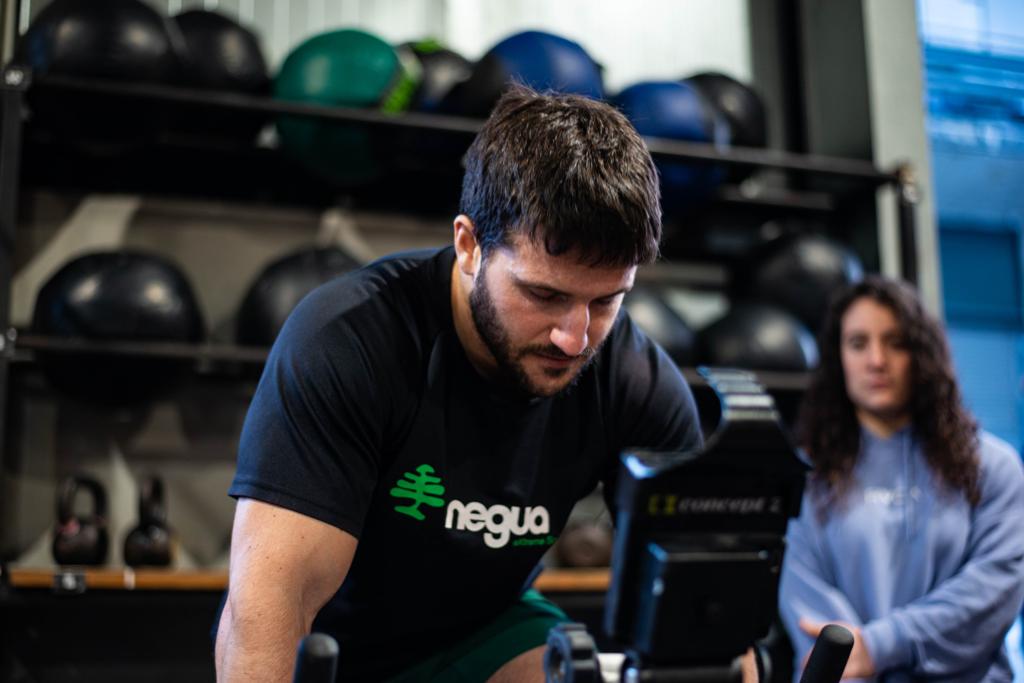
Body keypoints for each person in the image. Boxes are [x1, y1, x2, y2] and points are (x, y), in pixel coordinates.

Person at [214, 85, 705, 682]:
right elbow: (270, 606)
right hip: (337, 648)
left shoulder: (635, 380)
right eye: (544, 295)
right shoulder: (350, 341)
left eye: (607, 301)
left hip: (486, 629)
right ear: (469, 245)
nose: (575, 339)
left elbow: (706, 615)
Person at [779, 276, 1024, 682]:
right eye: (858, 343)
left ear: (922, 353)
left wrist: (878, 647)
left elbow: (992, 592)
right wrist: (855, 656)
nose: (877, 359)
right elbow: (814, 622)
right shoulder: (808, 477)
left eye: (896, 342)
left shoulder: (993, 467)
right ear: (839, 358)